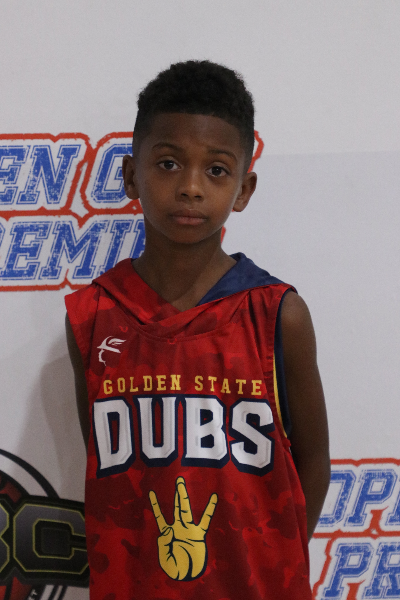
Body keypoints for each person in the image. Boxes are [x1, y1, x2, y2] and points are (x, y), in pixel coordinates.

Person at [65, 60, 330, 600]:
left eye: (216, 170)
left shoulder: (278, 313)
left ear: (243, 189)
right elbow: (103, 458)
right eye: (168, 163)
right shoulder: (91, 316)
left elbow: (314, 460)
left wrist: (277, 562)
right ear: (131, 176)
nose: (190, 187)